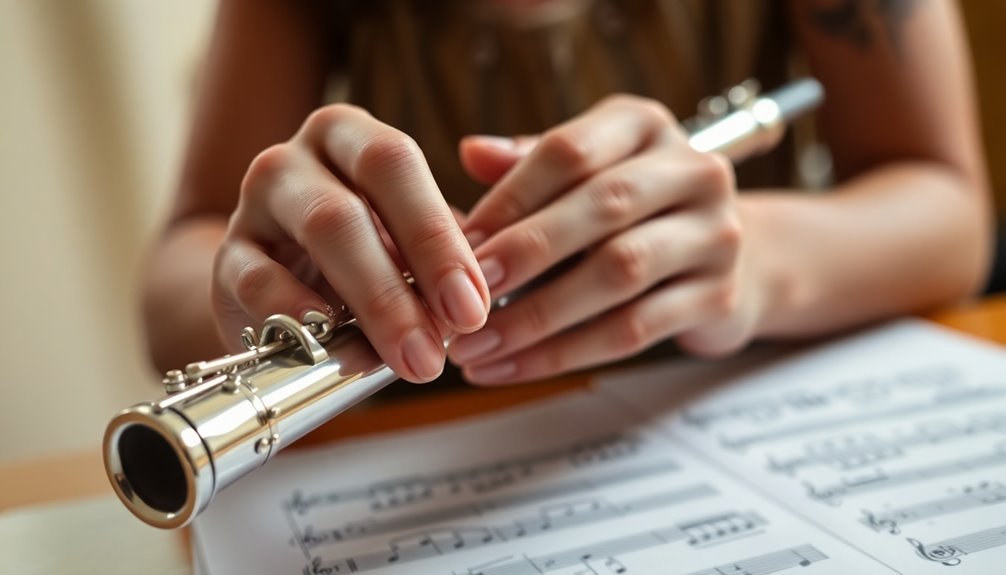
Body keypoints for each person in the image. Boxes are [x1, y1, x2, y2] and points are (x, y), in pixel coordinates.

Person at [142, 0, 990, 387]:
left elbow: (951, 209)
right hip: (429, 437)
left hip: (730, 394)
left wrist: (753, 261)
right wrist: (256, 284)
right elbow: (175, 276)